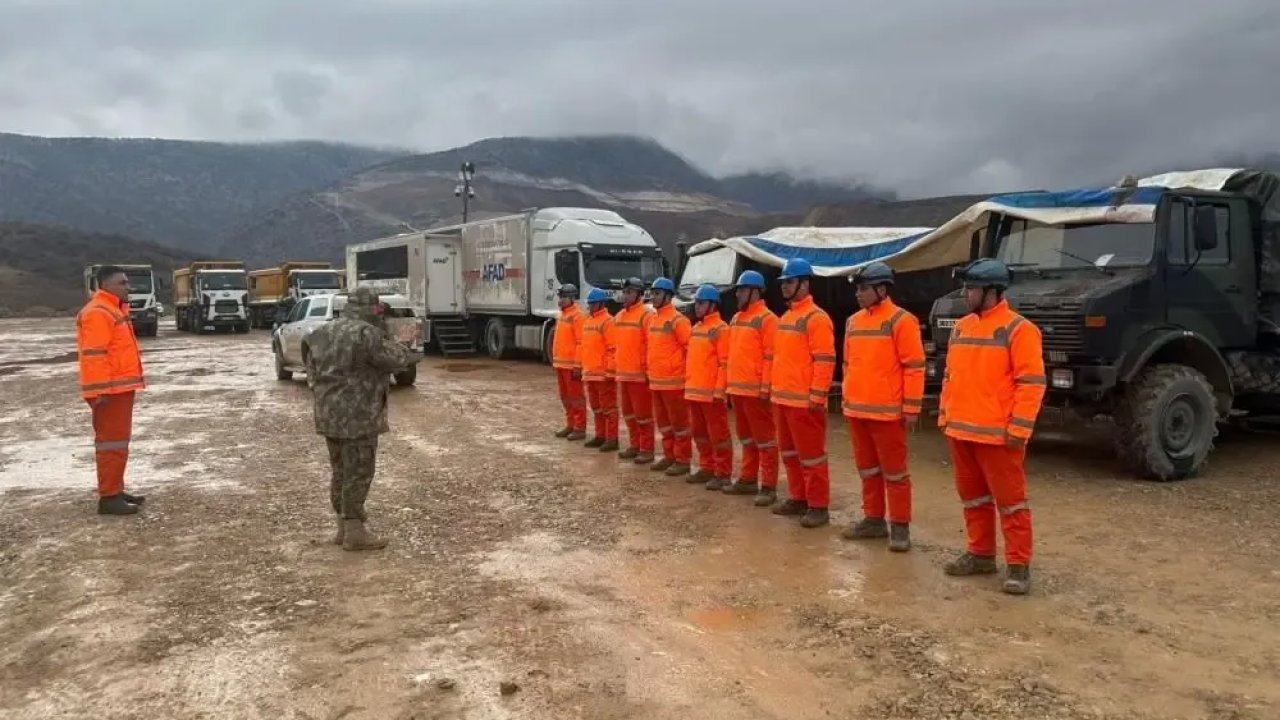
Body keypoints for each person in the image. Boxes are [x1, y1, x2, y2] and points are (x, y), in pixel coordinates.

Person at [938, 258, 1046, 595]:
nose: (966, 294)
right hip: (961, 431)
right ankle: (980, 554)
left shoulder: (1020, 330)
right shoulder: (961, 327)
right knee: (972, 499)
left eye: (971, 288)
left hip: (999, 436)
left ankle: (1018, 566)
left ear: (991, 291)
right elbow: (950, 376)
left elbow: (1031, 383)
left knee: (1011, 503)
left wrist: (1019, 428)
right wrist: (945, 415)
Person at [306, 287, 422, 551]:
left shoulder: (321, 333)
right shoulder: (365, 333)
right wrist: (403, 342)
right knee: (359, 472)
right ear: (372, 308)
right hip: (358, 417)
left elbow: (311, 372)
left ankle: (342, 528)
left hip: (328, 415)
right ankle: (355, 532)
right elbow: (394, 360)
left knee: (340, 471)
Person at [839, 261, 925, 552]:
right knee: (867, 470)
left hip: (887, 413)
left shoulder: (902, 321)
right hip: (857, 410)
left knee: (896, 474)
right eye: (858, 289)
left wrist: (911, 408)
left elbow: (914, 367)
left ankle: (900, 528)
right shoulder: (852, 322)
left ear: (881, 288)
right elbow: (848, 364)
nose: (858, 294)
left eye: (863, 289)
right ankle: (873, 520)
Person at [769, 258, 836, 528]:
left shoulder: (816, 318)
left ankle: (818, 506)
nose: (785, 287)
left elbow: (824, 359)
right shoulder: (786, 318)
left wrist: (816, 396)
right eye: (783, 283)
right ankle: (798, 498)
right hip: (783, 399)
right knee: (790, 453)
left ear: (804, 283)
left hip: (803, 402)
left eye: (790, 282)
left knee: (812, 456)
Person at [76, 265, 147, 515]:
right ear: (105, 285)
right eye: (122, 283)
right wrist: (99, 393)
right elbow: (94, 355)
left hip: (119, 389)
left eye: (127, 283)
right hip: (109, 392)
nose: (128, 287)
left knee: (118, 443)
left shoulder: (113, 309)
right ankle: (109, 497)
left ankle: (115, 489)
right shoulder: (99, 312)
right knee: (111, 444)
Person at [721, 270, 781, 506]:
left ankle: (768, 486)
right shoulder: (736, 319)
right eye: (738, 290)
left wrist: (765, 387)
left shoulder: (768, 320)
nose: (738, 294)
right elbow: (730, 355)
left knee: (765, 440)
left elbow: (770, 356)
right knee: (746, 438)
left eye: (742, 290)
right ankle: (747, 479)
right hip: (738, 390)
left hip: (756, 391)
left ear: (755, 292)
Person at [684, 284, 733, 489]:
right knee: (700, 433)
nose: (697, 306)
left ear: (713, 305)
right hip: (695, 391)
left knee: (718, 436)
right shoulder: (695, 329)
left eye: (702, 303)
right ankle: (706, 467)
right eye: (696, 303)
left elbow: (724, 362)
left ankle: (723, 473)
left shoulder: (721, 329)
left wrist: (719, 391)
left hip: (711, 394)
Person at [646, 277, 694, 477]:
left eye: (657, 293)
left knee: (680, 425)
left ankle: (682, 460)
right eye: (653, 293)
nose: (653, 297)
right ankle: (669, 456)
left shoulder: (678, 320)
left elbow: (689, 349)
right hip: (657, 381)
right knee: (664, 424)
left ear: (668, 295)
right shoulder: (653, 319)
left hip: (674, 382)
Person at [613, 277, 657, 464]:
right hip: (623, 374)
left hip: (639, 376)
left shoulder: (646, 316)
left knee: (643, 416)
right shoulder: (620, 316)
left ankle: (646, 449)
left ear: (639, 294)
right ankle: (635, 445)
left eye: (630, 292)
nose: (625, 295)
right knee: (629, 414)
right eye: (625, 292)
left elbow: (651, 345)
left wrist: (647, 370)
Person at [580, 288, 620, 452]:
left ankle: (612, 439)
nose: (590, 307)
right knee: (597, 408)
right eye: (589, 304)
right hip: (590, 373)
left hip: (603, 374)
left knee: (608, 408)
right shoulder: (588, 321)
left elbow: (613, 348)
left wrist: (610, 371)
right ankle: (600, 435)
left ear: (601, 304)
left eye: (593, 304)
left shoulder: (608, 321)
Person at [551, 284, 587, 441]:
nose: (561, 300)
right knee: (565, 397)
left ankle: (579, 428)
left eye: (564, 297)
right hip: (561, 364)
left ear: (572, 298)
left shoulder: (578, 316)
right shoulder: (562, 315)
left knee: (576, 397)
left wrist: (578, 365)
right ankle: (571, 424)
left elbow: (581, 342)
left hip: (571, 365)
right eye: (560, 297)